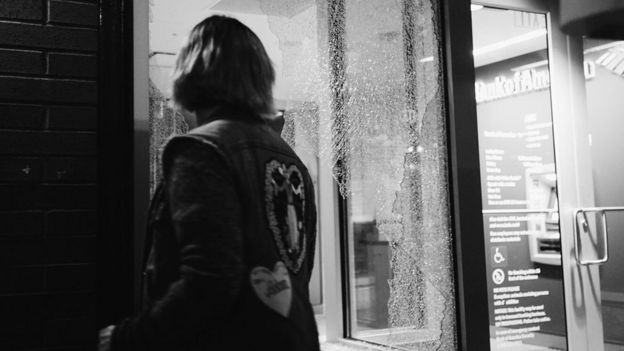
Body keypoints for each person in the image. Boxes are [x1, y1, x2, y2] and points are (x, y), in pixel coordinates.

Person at [99, 15, 320, 351]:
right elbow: (299, 272)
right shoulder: (290, 159)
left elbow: (209, 281)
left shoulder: (201, 150)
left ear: (193, 69)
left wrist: (127, 337)